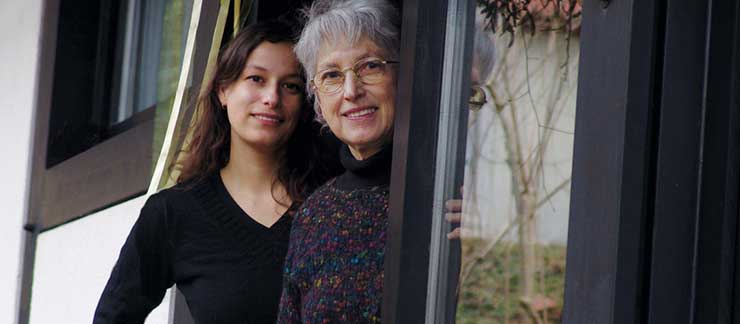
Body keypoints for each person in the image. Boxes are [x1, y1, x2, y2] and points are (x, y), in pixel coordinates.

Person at [93, 20, 338, 324]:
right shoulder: (174, 212)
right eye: (256, 79)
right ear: (223, 89)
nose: (272, 98)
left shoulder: (330, 204)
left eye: (290, 86)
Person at [277, 0, 400, 322]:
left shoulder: (449, 186)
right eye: (331, 75)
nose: (351, 91)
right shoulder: (315, 215)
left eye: (370, 66)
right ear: (317, 99)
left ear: (402, 74)